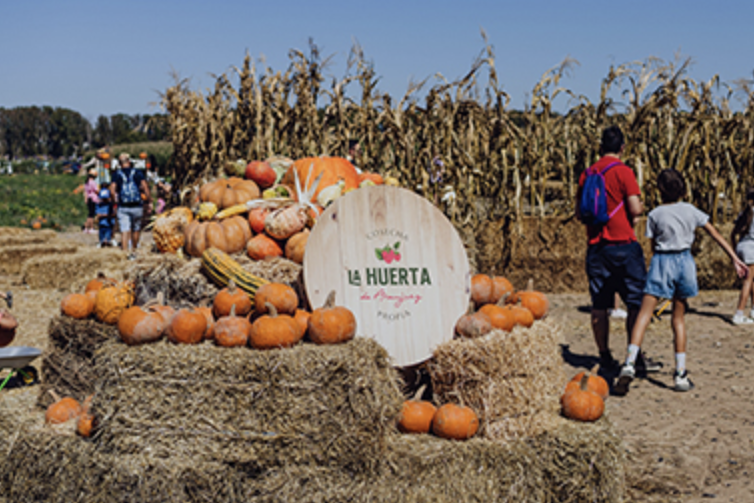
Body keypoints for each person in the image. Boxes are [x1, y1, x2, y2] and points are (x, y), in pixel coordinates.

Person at [616, 169, 747, 393]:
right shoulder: (690, 210)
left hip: (662, 262)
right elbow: (715, 234)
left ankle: (629, 363)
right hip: (685, 262)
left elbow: (652, 245)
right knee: (678, 319)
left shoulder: (655, 215)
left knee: (643, 315)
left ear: (660, 191)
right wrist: (735, 259)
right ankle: (680, 374)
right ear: (683, 189)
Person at [576, 125, 661, 375]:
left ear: (600, 147)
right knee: (635, 302)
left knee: (599, 304)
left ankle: (604, 355)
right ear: (622, 148)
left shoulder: (587, 173)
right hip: (623, 245)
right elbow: (634, 209)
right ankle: (634, 356)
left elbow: (580, 212)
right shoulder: (624, 172)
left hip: (596, 246)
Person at [109, 153, 149, 260]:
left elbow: (112, 191)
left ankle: (124, 252)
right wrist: (148, 201)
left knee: (124, 229)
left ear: (119, 163)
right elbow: (145, 187)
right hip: (137, 205)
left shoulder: (116, 174)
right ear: (129, 162)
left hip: (123, 206)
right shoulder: (137, 172)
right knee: (136, 228)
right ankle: (134, 250)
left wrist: (114, 202)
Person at [730, 188, 754, 324]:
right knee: (748, 281)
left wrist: (734, 253)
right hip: (752, 249)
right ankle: (739, 314)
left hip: (742, 247)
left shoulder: (744, 213)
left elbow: (733, 234)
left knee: (752, 280)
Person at [83, 169, 99, 234]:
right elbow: (96, 191)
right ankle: (91, 228)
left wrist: (85, 199)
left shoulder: (86, 183)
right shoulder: (93, 182)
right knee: (91, 214)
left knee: (89, 214)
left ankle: (86, 228)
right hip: (93, 199)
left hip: (89, 198)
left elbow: (85, 192)